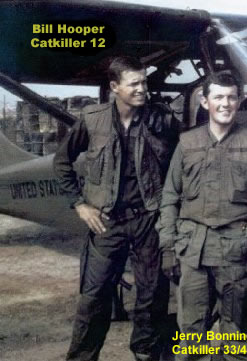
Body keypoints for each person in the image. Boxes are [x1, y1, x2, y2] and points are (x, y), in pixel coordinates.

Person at [54, 56, 179, 361]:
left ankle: (146, 355)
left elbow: (181, 167)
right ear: (114, 87)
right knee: (93, 299)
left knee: (151, 299)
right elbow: (61, 163)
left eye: (144, 82)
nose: (142, 89)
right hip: (106, 223)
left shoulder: (162, 120)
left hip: (149, 221)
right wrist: (80, 204)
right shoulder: (92, 120)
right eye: (134, 83)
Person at [159, 71, 247, 361]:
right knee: (191, 336)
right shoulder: (187, 144)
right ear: (205, 101)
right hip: (193, 251)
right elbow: (170, 197)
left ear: (239, 101)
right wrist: (167, 246)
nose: (225, 104)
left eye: (232, 97)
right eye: (218, 97)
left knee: (236, 337)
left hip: (237, 253)